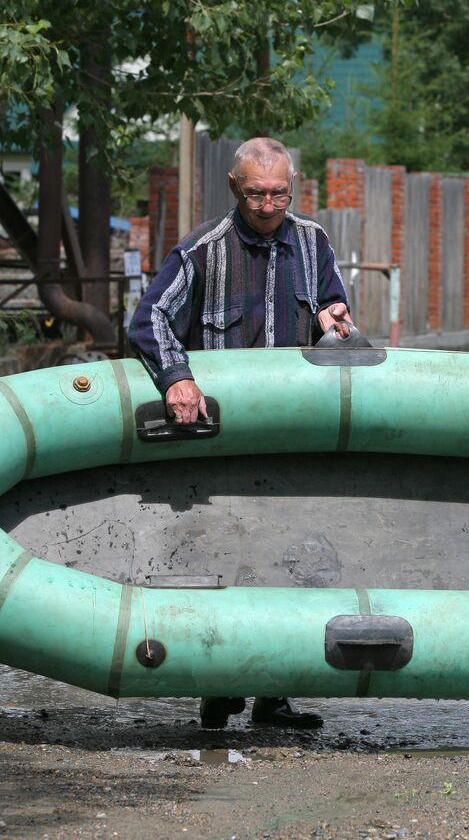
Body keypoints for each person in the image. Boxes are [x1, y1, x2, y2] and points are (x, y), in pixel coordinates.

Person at [128, 136, 354, 730]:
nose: (268, 204)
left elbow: (334, 308)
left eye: (279, 192)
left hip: (295, 437)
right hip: (223, 441)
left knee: (296, 559)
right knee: (226, 559)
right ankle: (218, 687)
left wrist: (335, 319)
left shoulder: (314, 243)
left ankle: (275, 695)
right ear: (235, 188)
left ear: (293, 184)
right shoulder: (202, 251)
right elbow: (148, 318)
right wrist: (176, 378)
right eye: (256, 193)